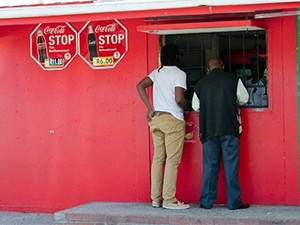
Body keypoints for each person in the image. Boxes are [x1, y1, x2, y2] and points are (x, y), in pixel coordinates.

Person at [136, 44, 191, 210]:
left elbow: (140, 85)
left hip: (157, 119)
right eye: (180, 54)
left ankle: (156, 199)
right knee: (172, 161)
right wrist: (188, 107)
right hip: (173, 119)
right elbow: (179, 99)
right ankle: (169, 200)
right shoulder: (179, 73)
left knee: (158, 160)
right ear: (176, 56)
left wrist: (149, 107)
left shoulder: (157, 72)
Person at [192, 57, 250, 210]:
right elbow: (244, 99)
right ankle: (234, 202)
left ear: (208, 69)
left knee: (210, 166)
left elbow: (195, 106)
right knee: (231, 166)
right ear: (223, 66)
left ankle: (206, 201)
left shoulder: (201, 84)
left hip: (209, 129)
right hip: (229, 128)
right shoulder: (233, 80)